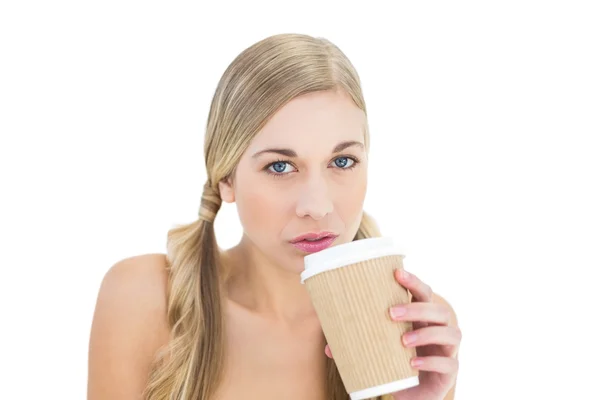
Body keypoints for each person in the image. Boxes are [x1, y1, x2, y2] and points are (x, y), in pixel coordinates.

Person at [87, 33, 461, 400]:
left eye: (342, 161)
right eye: (280, 166)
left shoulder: (414, 328)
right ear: (226, 179)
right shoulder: (147, 298)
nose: (317, 205)